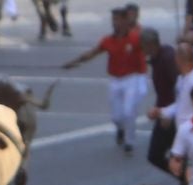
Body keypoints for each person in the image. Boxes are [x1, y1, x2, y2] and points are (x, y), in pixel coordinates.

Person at [62, 6, 147, 155]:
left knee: (129, 112)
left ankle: (129, 142)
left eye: (118, 19)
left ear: (126, 21)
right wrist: (73, 62)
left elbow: (150, 49)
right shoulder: (108, 40)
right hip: (115, 80)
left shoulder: (135, 38)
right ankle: (120, 129)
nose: (115, 23)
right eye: (113, 20)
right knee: (116, 116)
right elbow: (93, 53)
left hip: (131, 78)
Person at [141, 29, 183, 185]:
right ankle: (185, 178)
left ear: (151, 45)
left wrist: (170, 114)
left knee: (157, 154)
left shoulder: (167, 58)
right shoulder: (157, 58)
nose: (142, 51)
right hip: (163, 110)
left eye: (143, 46)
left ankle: (188, 178)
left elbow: (180, 88)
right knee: (163, 154)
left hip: (171, 113)